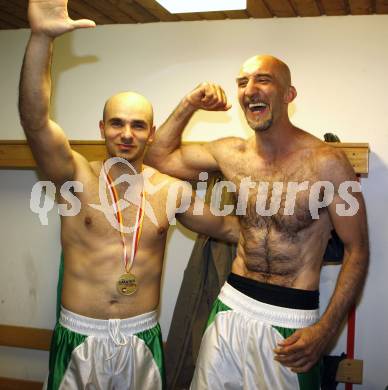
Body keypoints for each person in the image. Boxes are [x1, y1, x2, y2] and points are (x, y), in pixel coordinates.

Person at [18, 1, 240, 389]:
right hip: (80, 338)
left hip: (142, 338)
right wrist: (41, 40)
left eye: (139, 126)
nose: (127, 134)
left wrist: (298, 225)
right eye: (117, 123)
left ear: (151, 134)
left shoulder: (171, 192)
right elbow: (35, 121)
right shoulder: (75, 178)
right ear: (102, 127)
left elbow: (229, 228)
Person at [145, 55, 369, 389]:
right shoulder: (231, 154)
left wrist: (325, 331)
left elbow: (357, 251)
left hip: (290, 322)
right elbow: (156, 157)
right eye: (242, 82)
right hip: (231, 307)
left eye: (263, 80)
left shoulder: (328, 164)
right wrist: (189, 102)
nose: (250, 90)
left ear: (288, 95)